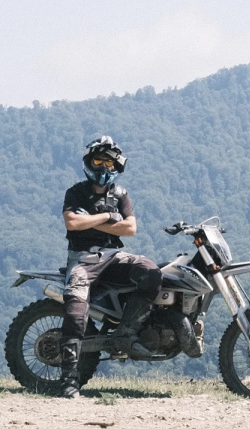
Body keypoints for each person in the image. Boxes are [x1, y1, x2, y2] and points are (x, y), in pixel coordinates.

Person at [60, 136, 162, 398]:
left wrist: (90, 220)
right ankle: (69, 380)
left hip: (114, 257)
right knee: (75, 312)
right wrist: (107, 216)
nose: (104, 167)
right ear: (89, 161)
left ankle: (126, 334)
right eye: (98, 160)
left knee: (151, 271)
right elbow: (72, 223)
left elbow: (130, 228)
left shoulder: (120, 194)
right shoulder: (75, 192)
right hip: (82, 259)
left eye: (109, 162)